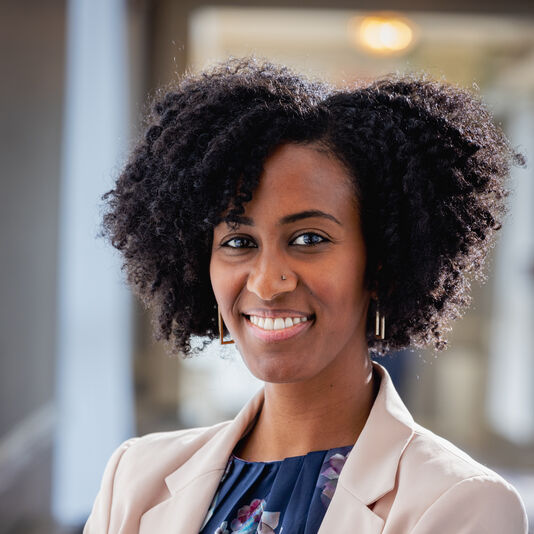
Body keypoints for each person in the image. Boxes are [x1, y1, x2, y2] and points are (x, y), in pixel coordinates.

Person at [84, 57, 528, 533]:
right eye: (238, 243)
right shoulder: (134, 475)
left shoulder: (463, 502)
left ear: (380, 264)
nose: (266, 282)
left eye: (309, 239)